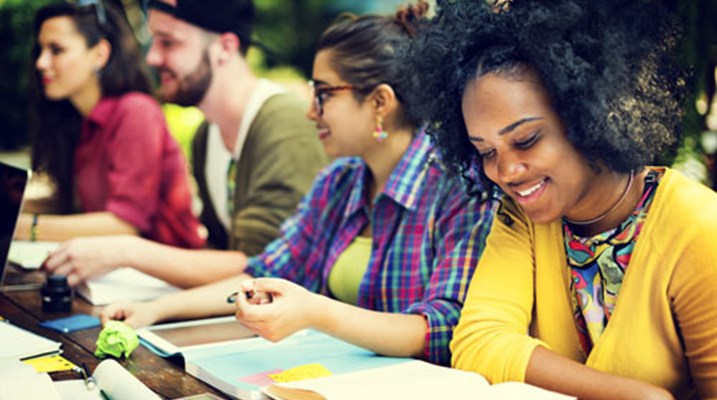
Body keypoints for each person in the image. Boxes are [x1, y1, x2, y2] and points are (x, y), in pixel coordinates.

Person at [99, 1, 496, 366]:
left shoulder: (458, 186)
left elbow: (446, 327)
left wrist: (317, 311)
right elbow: (268, 269)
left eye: (324, 94)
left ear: (380, 103)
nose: (310, 112)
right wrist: (155, 311)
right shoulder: (340, 182)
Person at [407, 0, 717, 398]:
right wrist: (637, 395)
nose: (506, 172)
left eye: (526, 140)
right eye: (486, 152)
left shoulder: (698, 229)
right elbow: (478, 343)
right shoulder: (521, 219)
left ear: (594, 116)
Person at [41, 0, 328, 287]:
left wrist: (127, 251)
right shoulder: (208, 134)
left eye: (168, 42)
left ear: (225, 48)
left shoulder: (284, 123)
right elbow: (225, 254)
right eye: (154, 41)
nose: (152, 57)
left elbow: (268, 267)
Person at [15, 1, 204, 249]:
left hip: (166, 278)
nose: (41, 62)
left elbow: (125, 223)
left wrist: (23, 227)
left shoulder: (136, 111)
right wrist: (12, 207)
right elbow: (71, 204)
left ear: (100, 54)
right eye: (40, 50)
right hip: (111, 275)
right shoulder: (77, 121)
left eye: (57, 50)